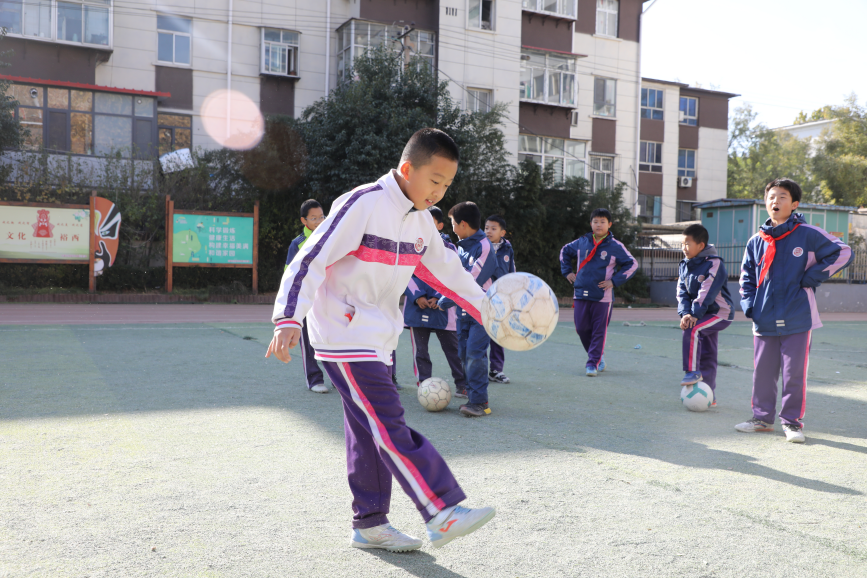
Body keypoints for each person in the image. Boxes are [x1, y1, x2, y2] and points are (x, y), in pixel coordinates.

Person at [266, 128, 496, 551]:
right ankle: (440, 509)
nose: (440, 191)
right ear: (408, 169)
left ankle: (369, 523)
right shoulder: (364, 203)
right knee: (388, 421)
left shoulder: (422, 221)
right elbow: (310, 257)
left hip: (379, 338)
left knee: (368, 429)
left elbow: (449, 274)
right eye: (435, 181)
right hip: (342, 333)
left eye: (447, 185)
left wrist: (490, 312)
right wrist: (287, 318)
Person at [736, 178, 852, 443]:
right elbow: (746, 277)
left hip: (798, 316)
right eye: (771, 196)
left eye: (782, 197)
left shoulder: (807, 234)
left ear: (795, 204)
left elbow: (843, 252)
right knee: (763, 373)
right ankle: (762, 419)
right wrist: (749, 304)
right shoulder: (757, 240)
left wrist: (813, 276)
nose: (775, 201)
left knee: (793, 374)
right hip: (763, 318)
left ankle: (791, 423)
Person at [559, 208, 637, 377]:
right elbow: (564, 251)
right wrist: (567, 272)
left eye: (602, 222)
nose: (599, 225)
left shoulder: (616, 246)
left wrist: (614, 281)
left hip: (603, 297)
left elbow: (632, 264)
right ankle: (598, 356)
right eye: (595, 221)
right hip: (580, 293)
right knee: (581, 328)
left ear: (609, 224)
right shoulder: (581, 242)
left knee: (598, 331)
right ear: (591, 224)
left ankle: (592, 363)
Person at [403, 206, 468, 397]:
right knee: (420, 352)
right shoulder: (408, 246)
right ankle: (424, 386)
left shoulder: (451, 249)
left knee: (453, 350)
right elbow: (404, 274)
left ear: (440, 225)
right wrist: (419, 296)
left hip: (443, 308)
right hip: (417, 308)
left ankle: (462, 384)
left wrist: (439, 297)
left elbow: (454, 275)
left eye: (429, 222)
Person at [443, 201, 497, 417]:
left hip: (481, 310)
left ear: (463, 224)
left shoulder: (485, 246)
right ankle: (473, 395)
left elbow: (472, 280)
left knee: (475, 354)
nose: (453, 229)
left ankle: (480, 402)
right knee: (464, 354)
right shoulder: (462, 246)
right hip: (463, 309)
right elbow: (455, 277)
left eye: (454, 224)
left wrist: (444, 299)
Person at [677, 223, 734, 402]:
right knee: (709, 353)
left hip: (719, 313)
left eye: (688, 244)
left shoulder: (714, 264)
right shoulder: (685, 265)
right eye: (682, 244)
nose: (684, 248)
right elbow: (682, 292)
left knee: (692, 329)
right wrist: (685, 313)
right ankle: (710, 395)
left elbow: (706, 292)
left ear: (701, 246)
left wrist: (694, 315)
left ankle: (692, 372)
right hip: (700, 313)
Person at [285, 199, 329, 394]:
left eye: (322, 216)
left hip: (328, 297)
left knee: (331, 338)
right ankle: (314, 379)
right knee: (307, 340)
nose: (319, 221)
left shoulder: (332, 237)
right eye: (314, 218)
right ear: (304, 221)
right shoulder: (297, 244)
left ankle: (338, 378)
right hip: (306, 299)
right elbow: (289, 274)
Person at [484, 215, 515, 384]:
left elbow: (511, 271)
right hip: (482, 297)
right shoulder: (480, 245)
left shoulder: (507, 248)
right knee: (480, 334)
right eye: (486, 227)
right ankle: (478, 370)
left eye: (493, 228)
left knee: (498, 334)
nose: (488, 231)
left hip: (501, 299)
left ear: (502, 232)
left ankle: (496, 370)